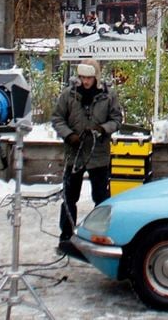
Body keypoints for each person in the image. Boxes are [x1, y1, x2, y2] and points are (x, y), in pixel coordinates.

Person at [52, 62, 123, 255]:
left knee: (101, 198)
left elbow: (117, 119)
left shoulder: (108, 95)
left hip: (98, 154)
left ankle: (102, 236)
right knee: (69, 197)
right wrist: (68, 135)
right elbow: (57, 118)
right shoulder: (68, 94)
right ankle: (66, 236)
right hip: (74, 154)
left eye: (89, 78)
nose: (85, 82)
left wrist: (102, 129)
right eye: (82, 78)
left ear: (96, 77)